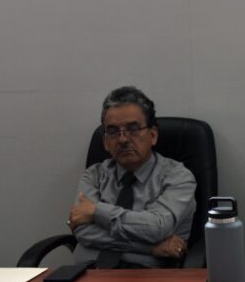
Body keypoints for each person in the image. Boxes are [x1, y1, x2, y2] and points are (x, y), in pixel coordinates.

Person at [68, 86, 196, 268]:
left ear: (152, 135)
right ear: (105, 142)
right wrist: (150, 247)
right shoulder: (93, 175)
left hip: (147, 276)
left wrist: (96, 211)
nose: (123, 139)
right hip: (87, 272)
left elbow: (157, 228)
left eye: (133, 129)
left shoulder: (178, 177)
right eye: (113, 131)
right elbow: (82, 231)